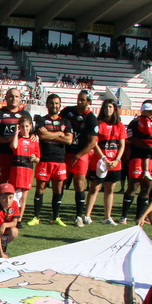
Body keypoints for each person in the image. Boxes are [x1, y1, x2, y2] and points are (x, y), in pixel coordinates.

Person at [27, 94, 73, 227]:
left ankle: (56, 217)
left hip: (59, 160)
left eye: (57, 103)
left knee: (58, 189)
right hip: (44, 159)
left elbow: (69, 140)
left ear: (60, 105)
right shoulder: (41, 120)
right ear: (47, 105)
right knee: (40, 188)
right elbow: (41, 135)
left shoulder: (65, 122)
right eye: (52, 103)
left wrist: (50, 135)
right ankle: (36, 217)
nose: (54, 106)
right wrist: (59, 134)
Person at [120, 101, 152, 224]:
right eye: (150, 111)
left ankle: (139, 217)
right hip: (137, 157)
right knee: (133, 185)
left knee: (147, 186)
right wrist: (147, 147)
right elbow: (132, 138)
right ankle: (124, 216)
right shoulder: (135, 122)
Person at [60, 90, 98, 227]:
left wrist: (77, 156)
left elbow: (92, 142)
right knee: (60, 182)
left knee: (79, 183)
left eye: (83, 99)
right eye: (78, 98)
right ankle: (56, 215)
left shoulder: (91, 118)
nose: (79, 101)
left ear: (89, 102)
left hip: (80, 154)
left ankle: (78, 216)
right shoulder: (68, 111)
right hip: (65, 152)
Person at [0, 88, 31, 185]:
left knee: (18, 185)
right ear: (6, 98)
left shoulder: (25, 114)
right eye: (11, 96)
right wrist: (7, 141)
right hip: (3, 154)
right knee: (1, 185)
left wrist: (34, 136)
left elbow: (31, 134)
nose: (13, 99)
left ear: (20, 99)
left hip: (20, 156)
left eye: (16, 96)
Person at [7, 115, 39, 225]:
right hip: (16, 170)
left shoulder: (34, 141)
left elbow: (38, 159)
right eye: (21, 126)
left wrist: (34, 158)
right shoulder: (16, 138)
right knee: (13, 195)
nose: (24, 129)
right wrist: (16, 132)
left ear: (30, 126)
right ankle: (12, 217)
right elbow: (14, 146)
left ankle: (19, 219)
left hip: (27, 170)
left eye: (26, 126)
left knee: (24, 197)